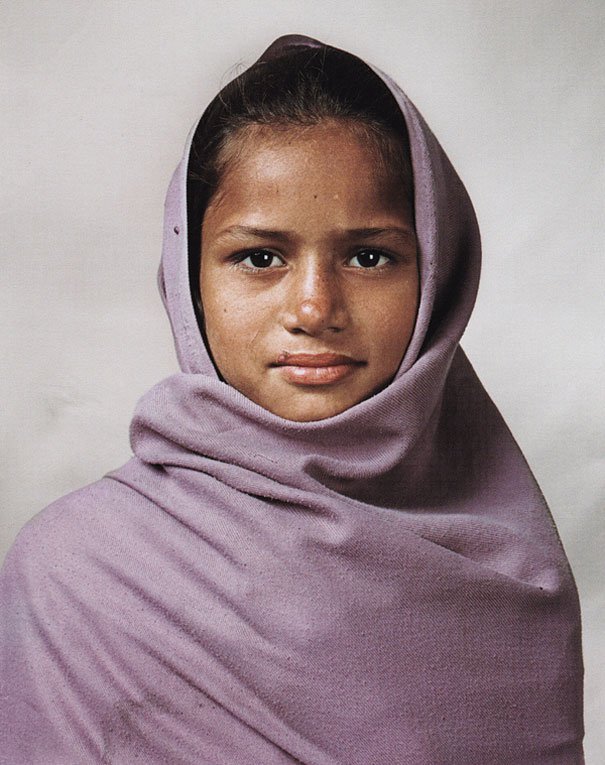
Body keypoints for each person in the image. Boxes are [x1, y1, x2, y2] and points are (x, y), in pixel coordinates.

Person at [0, 34, 584, 764]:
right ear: (189, 278)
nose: (313, 307)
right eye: (259, 257)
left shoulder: (508, 571)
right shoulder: (77, 572)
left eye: (368, 256)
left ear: (438, 273)